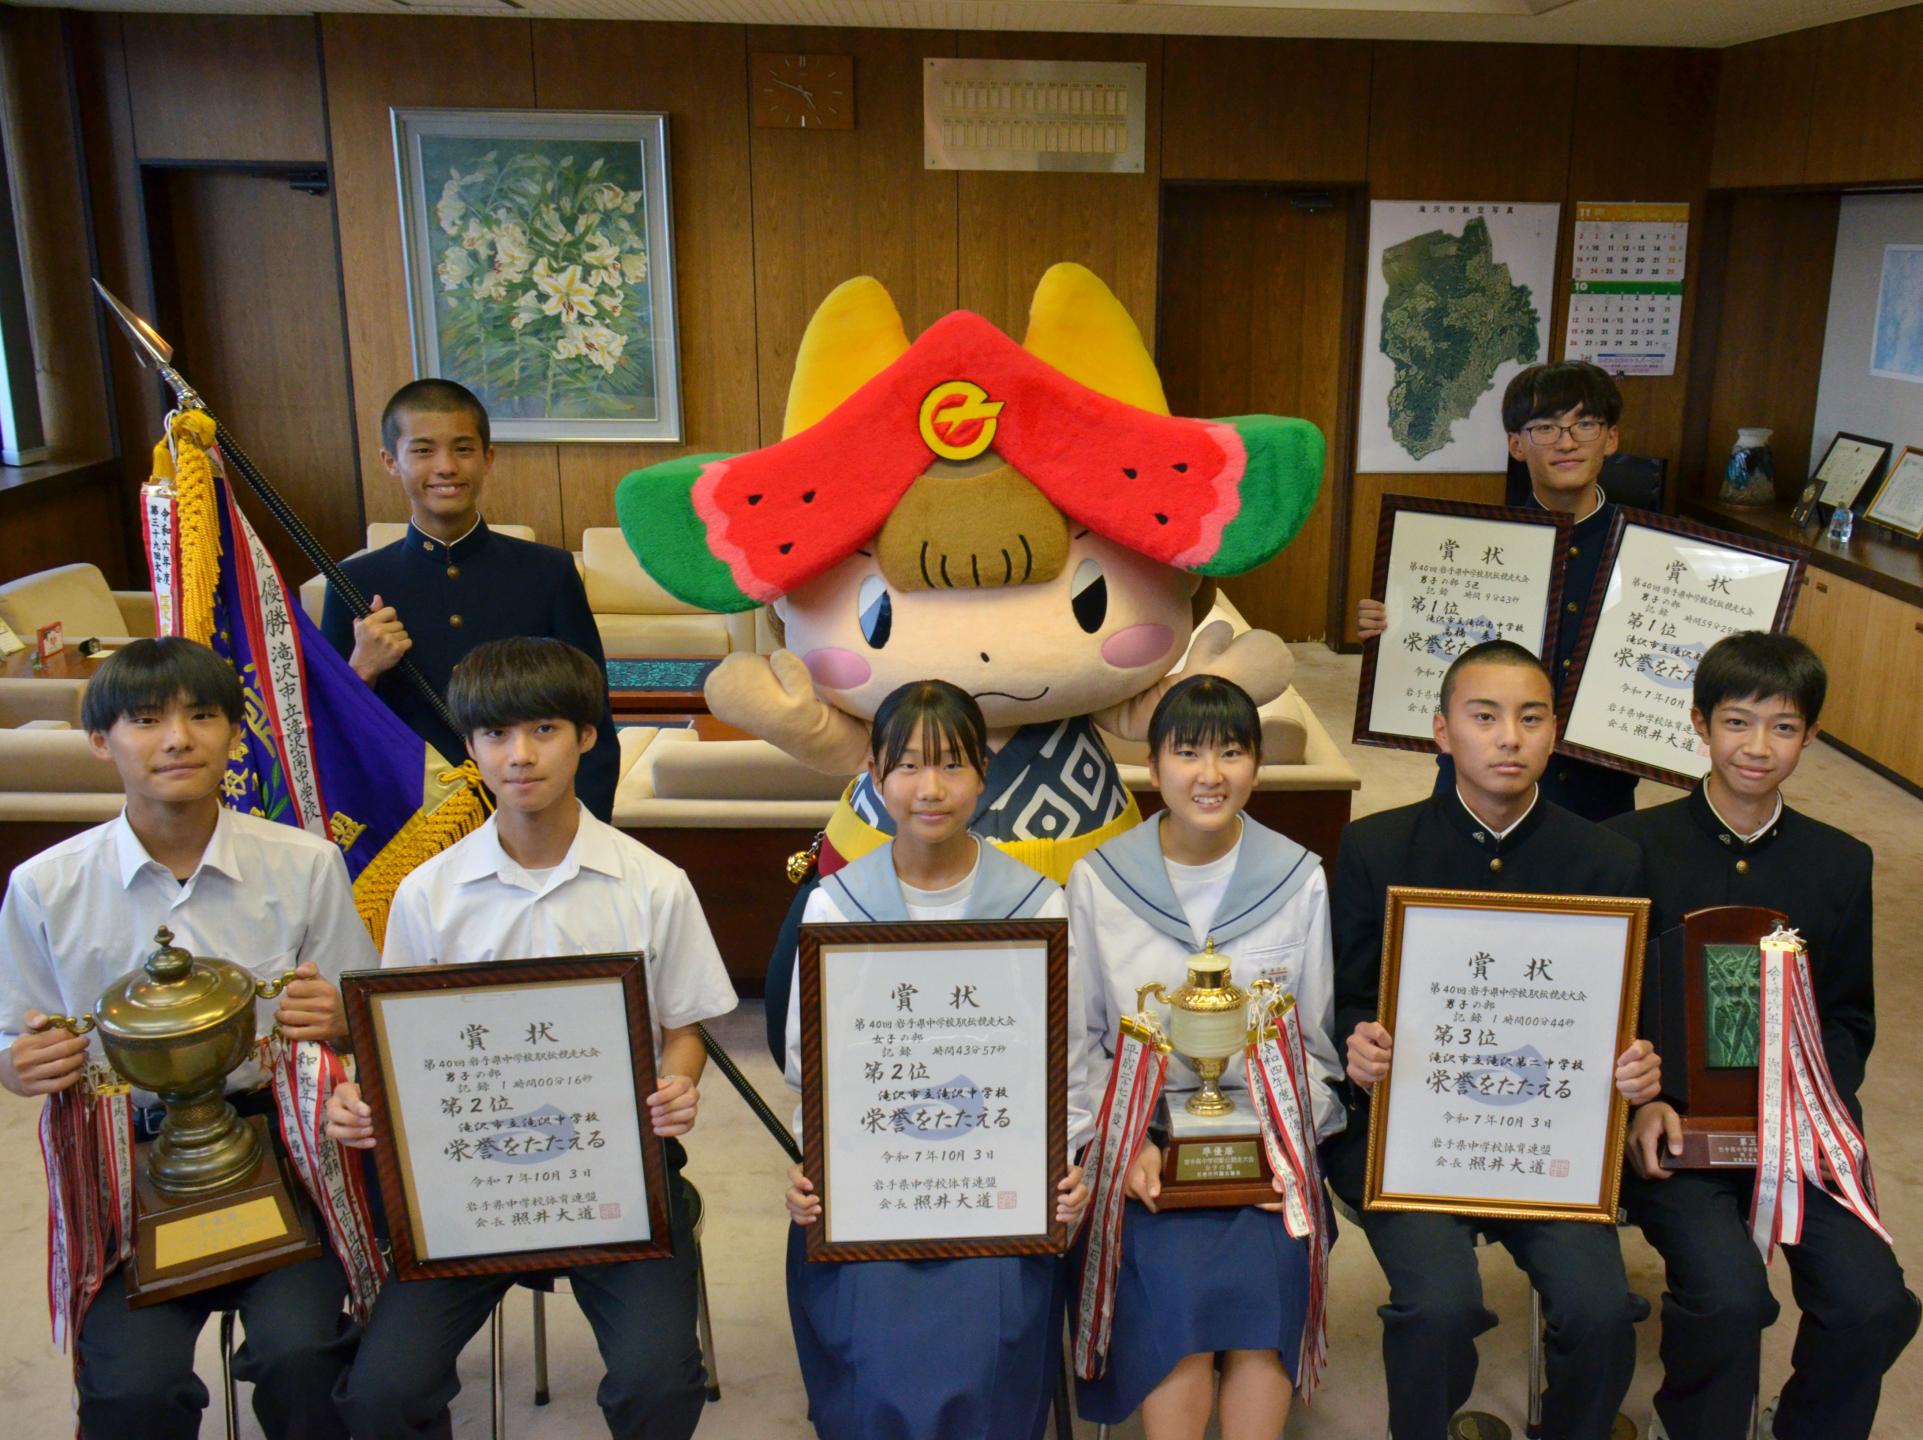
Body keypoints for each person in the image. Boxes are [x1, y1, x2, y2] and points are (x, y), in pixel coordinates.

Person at [325, 636, 736, 1440]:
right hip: (467, 1183)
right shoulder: (428, 892)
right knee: (379, 1394)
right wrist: (360, 1097)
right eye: (495, 736)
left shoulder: (654, 884)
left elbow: (683, 1030)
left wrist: (679, 1082)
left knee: (659, 1383)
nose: (519, 756)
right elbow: (398, 1042)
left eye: (544, 730)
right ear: (469, 746)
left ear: (586, 735)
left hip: (619, 1174)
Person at [0, 637, 374, 1440]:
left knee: (305, 1357)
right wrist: (21, 1063)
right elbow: (12, 1039)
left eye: (202, 715)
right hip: (126, 1161)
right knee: (130, 1392)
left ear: (234, 734)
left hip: (277, 1146)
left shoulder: (305, 864)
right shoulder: (44, 887)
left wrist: (341, 1019)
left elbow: (360, 1013)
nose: (177, 738)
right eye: (145, 719)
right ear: (101, 741)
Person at [1325, 639, 1662, 1440]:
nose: (1508, 737)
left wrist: (1637, 1059)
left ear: (1556, 733)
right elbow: (1335, 996)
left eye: (1530, 717)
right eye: (1484, 717)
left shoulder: (1608, 859)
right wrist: (1354, 1040)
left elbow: (1626, 1010)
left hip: (1551, 1139)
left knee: (1600, 1309)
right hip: (1407, 1136)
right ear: (1442, 732)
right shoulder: (1377, 847)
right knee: (1437, 1306)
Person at [1604, 631, 1917, 1440]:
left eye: (1782, 727)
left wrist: (1808, 1109)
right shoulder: (1630, 849)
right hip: (1667, 1129)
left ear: (1810, 737)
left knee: (1874, 1302)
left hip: (1795, 1130)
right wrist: (1638, 1101)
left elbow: (1847, 1015)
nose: (1757, 746)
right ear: (1698, 725)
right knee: (1729, 1296)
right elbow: (1605, 1004)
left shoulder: (1838, 861)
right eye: (1737, 722)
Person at [781, 679, 1092, 1440]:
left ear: (982, 777)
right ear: (875, 775)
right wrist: (809, 1163)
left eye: (951, 765)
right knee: (871, 1338)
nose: (930, 789)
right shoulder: (835, 904)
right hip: (872, 1183)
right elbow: (805, 1065)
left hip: (997, 1185)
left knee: (982, 1343)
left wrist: (1067, 1164)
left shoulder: (1037, 904)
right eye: (908, 766)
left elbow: (1071, 1060)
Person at [1068, 674, 1344, 1438]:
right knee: (1173, 1293)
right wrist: (1117, 1151)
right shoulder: (1097, 880)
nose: (1209, 773)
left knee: (1265, 1285)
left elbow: (1316, 1045)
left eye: (1231, 752)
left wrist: (1283, 1156)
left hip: (1265, 1144)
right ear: (1152, 767)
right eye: (1186, 752)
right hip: (1143, 1144)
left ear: (1256, 766)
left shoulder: (1298, 878)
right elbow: (1079, 1042)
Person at [319, 379, 620, 820]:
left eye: (462, 449)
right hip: (403, 821)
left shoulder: (547, 572)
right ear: (390, 461)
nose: (446, 467)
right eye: (423, 451)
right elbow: (325, 729)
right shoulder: (354, 581)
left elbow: (592, 714)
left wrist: (586, 827)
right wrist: (362, 668)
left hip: (528, 813)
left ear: (487, 458)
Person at [1358, 361, 1637, 821]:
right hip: (1478, 780)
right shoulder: (1476, 548)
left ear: (1611, 438)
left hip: (1598, 790)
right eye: (1545, 427)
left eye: (1584, 424)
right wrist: (1387, 631)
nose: (1566, 442)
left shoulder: (1648, 553)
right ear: (1516, 445)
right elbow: (1423, 655)